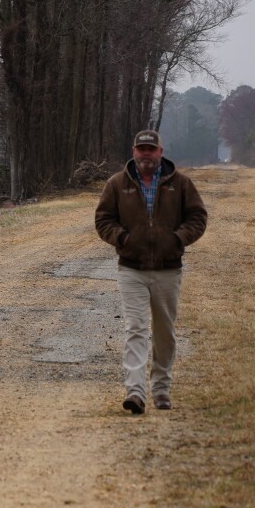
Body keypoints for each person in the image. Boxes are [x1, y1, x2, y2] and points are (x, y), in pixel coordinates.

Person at [95, 129, 208, 414]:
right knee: (135, 328)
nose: (146, 154)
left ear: (160, 152)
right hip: (131, 269)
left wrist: (178, 239)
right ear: (133, 151)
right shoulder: (117, 184)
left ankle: (161, 389)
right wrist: (122, 238)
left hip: (168, 269)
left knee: (164, 332)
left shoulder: (180, 184)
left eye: (151, 149)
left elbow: (198, 217)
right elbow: (103, 219)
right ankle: (135, 392)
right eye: (141, 149)